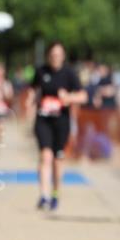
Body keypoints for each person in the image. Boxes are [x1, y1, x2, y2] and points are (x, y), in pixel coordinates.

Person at [25, 42, 87, 211]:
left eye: (58, 55)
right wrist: (30, 101)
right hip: (43, 119)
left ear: (63, 56)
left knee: (58, 160)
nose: (55, 58)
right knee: (45, 156)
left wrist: (68, 97)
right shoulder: (41, 71)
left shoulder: (69, 74)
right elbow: (33, 91)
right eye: (52, 55)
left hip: (61, 121)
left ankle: (55, 193)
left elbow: (83, 96)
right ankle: (43, 196)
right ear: (48, 56)